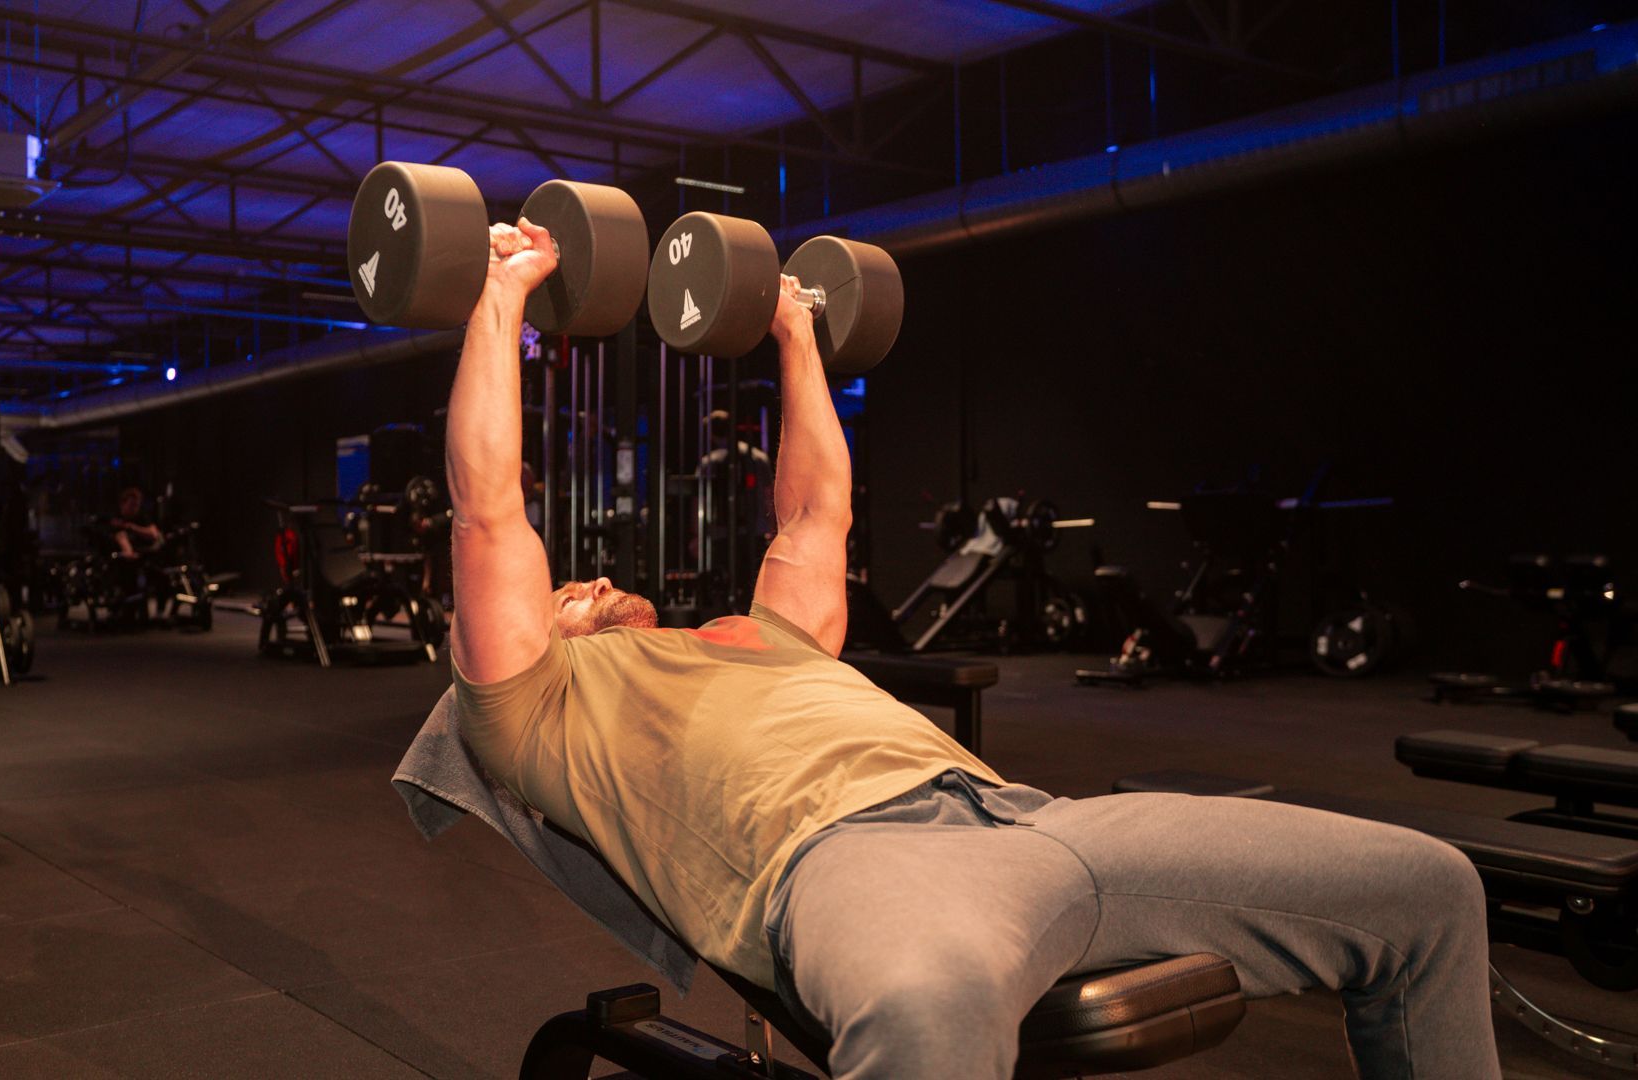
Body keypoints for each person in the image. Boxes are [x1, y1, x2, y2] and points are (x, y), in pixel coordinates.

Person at [444, 218, 1499, 1080]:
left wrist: (796, 332)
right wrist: (504, 295)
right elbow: (489, 511)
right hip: (851, 861)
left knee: (1427, 889)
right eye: (567, 595)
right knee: (925, 1010)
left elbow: (816, 514)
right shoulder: (535, 707)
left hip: (1033, 820)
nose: (589, 584)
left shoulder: (764, 635)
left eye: (587, 582)